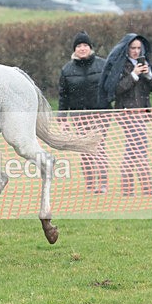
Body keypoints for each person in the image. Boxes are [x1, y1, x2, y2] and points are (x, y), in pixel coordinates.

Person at [98, 33, 152, 196]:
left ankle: (130, 189)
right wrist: (133, 75)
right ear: (127, 49)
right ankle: (145, 188)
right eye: (133, 48)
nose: (136, 51)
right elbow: (116, 89)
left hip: (141, 112)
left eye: (139, 48)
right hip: (126, 112)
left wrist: (148, 75)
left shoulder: (144, 63)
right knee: (139, 149)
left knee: (134, 149)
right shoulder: (121, 66)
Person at [58, 31, 109, 194]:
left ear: (90, 48)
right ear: (74, 49)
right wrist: (62, 119)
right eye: (79, 46)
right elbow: (63, 96)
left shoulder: (103, 65)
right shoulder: (67, 69)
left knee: (99, 147)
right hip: (78, 116)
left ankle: (102, 183)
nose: (82, 48)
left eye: (85, 45)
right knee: (84, 151)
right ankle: (90, 183)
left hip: (99, 115)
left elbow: (110, 88)